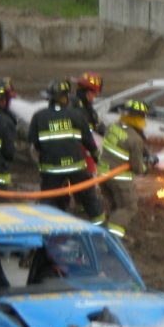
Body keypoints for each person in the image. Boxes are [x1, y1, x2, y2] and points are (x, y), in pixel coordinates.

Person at [28, 79, 105, 225]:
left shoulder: (39, 116)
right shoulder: (76, 115)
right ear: (66, 97)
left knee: (49, 199)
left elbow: (35, 143)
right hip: (75, 166)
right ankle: (101, 228)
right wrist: (97, 158)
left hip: (51, 168)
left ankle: (49, 227)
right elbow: (89, 142)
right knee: (89, 197)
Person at [97, 99, 158, 240]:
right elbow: (137, 168)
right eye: (143, 117)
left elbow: (128, 143)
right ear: (138, 118)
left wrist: (147, 154)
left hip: (103, 174)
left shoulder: (114, 127)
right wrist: (147, 166)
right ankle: (111, 239)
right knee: (129, 207)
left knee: (116, 206)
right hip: (119, 179)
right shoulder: (135, 139)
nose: (145, 120)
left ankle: (114, 235)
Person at [70, 72, 104, 175]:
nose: (95, 97)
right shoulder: (74, 106)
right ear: (88, 92)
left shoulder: (85, 105)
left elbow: (97, 124)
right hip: (78, 152)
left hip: (83, 150)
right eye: (95, 94)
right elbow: (85, 132)